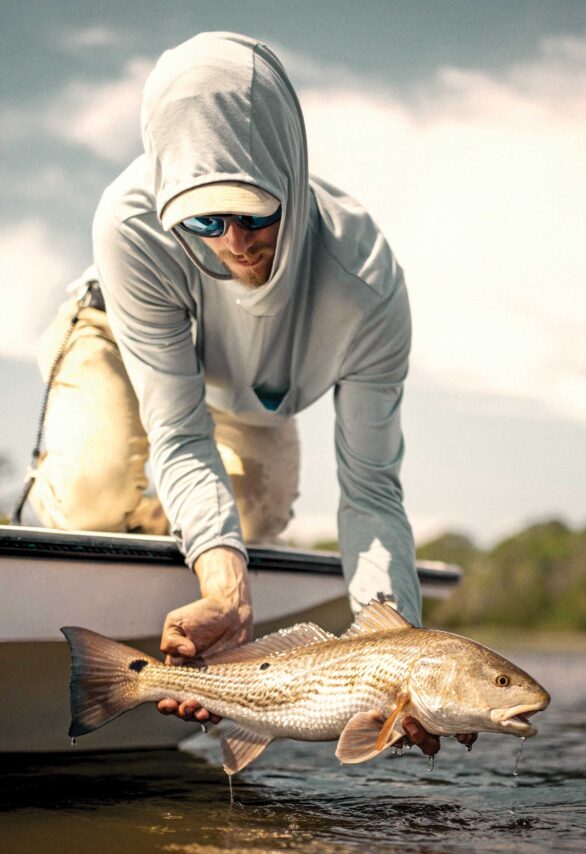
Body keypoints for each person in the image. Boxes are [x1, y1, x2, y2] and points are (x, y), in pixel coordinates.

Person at [31, 32, 474, 754]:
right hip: (125, 337)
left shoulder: (366, 287)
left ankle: (168, 644)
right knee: (95, 485)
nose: (233, 243)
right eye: (203, 221)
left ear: (291, 179)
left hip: (248, 393)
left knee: (260, 508)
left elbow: (369, 489)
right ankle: (92, 611)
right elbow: (177, 428)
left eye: (254, 214)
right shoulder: (131, 225)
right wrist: (226, 585)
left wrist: (396, 656)